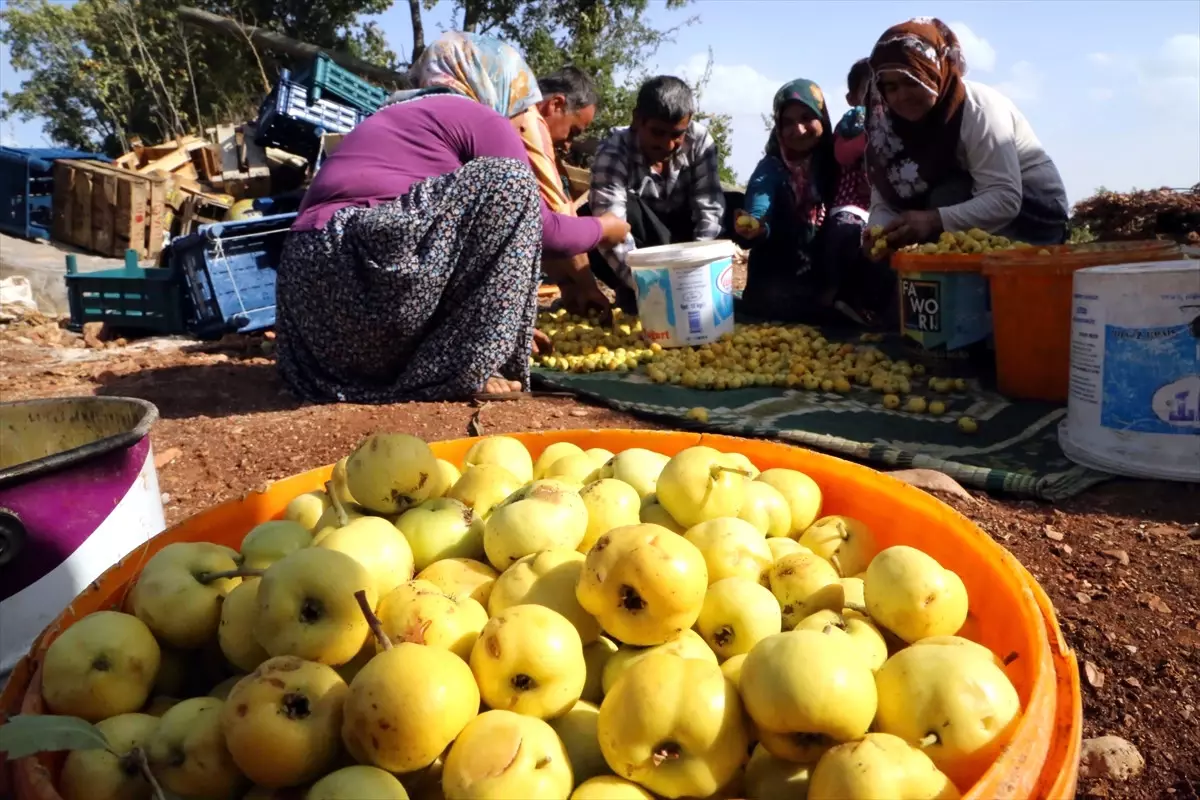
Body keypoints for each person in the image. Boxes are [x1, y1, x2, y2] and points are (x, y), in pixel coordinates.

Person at [276, 31, 630, 403]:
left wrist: (497, 331)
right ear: (498, 82)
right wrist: (604, 228)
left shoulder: (387, 115)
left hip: (313, 321)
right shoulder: (483, 118)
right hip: (366, 282)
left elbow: (434, 248)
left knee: (472, 211)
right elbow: (543, 228)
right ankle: (469, 366)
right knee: (509, 182)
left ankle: (467, 352)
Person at [865, 18, 1069, 252]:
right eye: (891, 87)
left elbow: (1004, 197)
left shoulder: (979, 109)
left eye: (912, 81)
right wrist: (877, 231)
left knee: (945, 196)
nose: (902, 96)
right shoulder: (890, 130)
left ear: (936, 73)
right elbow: (885, 198)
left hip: (1034, 213)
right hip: (960, 209)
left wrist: (931, 220)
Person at [733, 79, 894, 325]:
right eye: (787, 122)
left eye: (807, 118)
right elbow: (758, 208)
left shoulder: (839, 161)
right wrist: (754, 226)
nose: (798, 130)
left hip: (828, 281)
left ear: (823, 118)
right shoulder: (770, 170)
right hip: (779, 287)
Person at [588, 75, 728, 310]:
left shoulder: (700, 141)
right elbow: (612, 232)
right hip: (642, 248)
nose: (667, 145)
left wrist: (698, 279)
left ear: (689, 122)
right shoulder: (613, 152)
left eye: (676, 135)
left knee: (731, 205)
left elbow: (709, 210)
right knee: (593, 222)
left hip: (684, 240)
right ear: (636, 120)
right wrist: (651, 287)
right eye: (657, 133)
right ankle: (632, 289)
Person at [832, 58, 873, 214]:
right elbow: (842, 154)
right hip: (852, 201)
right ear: (852, 99)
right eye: (869, 89)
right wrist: (870, 139)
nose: (877, 95)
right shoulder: (854, 119)